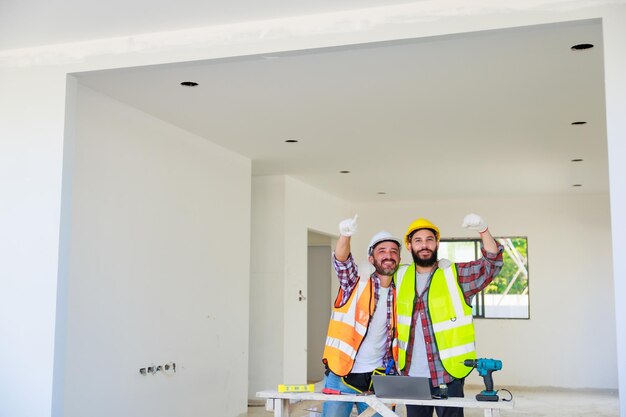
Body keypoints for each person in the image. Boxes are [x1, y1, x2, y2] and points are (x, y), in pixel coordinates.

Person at [395, 214, 504, 417]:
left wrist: (484, 230)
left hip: (448, 374)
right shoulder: (399, 277)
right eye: (418, 240)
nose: (424, 245)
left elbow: (491, 265)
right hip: (412, 375)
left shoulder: (455, 275)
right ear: (410, 246)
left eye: (429, 239)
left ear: (437, 243)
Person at [321, 215, 401, 417]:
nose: (388, 256)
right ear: (371, 258)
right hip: (342, 373)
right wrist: (345, 235)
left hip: (379, 377)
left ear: (399, 258)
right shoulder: (355, 283)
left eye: (393, 252)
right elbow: (342, 262)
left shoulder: (402, 291)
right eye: (381, 251)